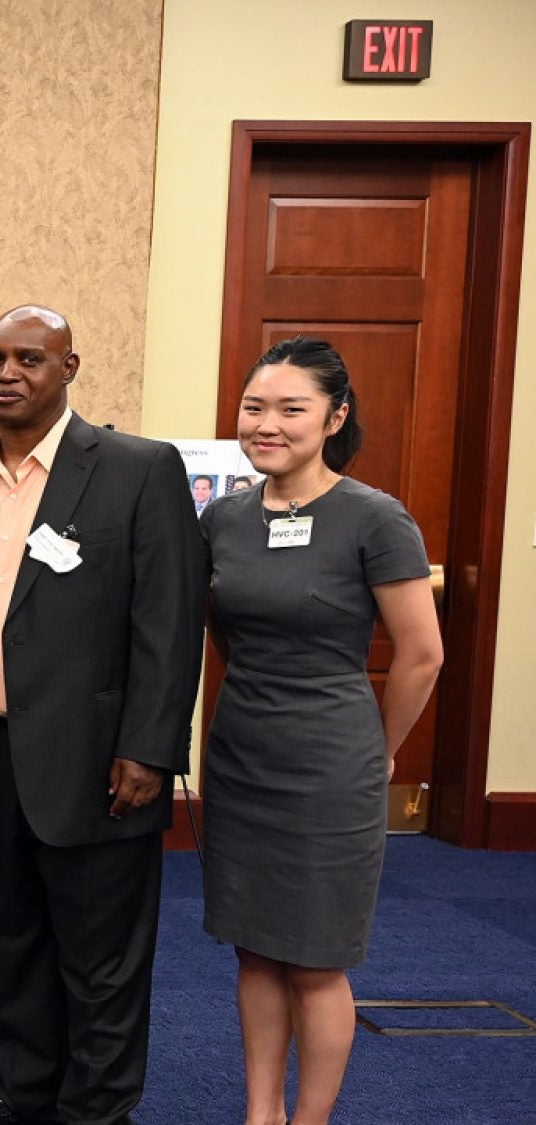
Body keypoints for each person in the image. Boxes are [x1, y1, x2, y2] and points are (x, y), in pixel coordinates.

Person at [0, 305, 205, 1125]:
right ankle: (25, 1089)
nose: (7, 373)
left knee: (101, 959)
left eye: (30, 358)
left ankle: (97, 1111)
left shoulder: (136, 470)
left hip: (98, 761)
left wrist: (150, 747)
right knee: (12, 943)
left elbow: (169, 621)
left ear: (70, 368)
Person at [201, 337, 441, 1125]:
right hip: (242, 754)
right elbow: (228, 635)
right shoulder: (225, 518)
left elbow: (421, 652)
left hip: (333, 761)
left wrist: (380, 745)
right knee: (255, 947)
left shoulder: (374, 516)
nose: (267, 424)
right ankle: (259, 1112)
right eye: (254, 407)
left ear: (335, 417)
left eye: (290, 409)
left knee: (314, 958)